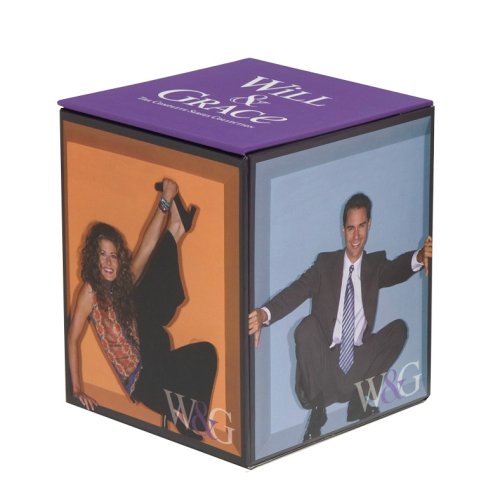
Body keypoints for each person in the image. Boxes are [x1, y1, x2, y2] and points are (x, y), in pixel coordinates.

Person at [248, 193, 432, 442]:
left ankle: (359, 401)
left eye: (361, 227)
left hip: (357, 365)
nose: (356, 236)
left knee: (398, 330)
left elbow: (397, 269)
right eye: (350, 228)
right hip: (324, 368)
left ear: (369, 225)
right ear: (342, 229)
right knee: (306, 327)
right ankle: (318, 410)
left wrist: (420, 257)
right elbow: (295, 292)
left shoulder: (375, 266)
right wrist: (263, 313)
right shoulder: (325, 265)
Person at [67, 179, 217, 440]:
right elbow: (72, 339)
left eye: (114, 255)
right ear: (94, 258)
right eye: (102, 254)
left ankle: (175, 226)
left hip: (156, 356)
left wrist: (165, 200)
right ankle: (176, 227)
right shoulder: (90, 292)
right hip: (141, 380)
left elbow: (146, 246)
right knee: (142, 293)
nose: (108, 262)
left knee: (206, 353)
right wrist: (77, 388)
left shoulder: (124, 285)